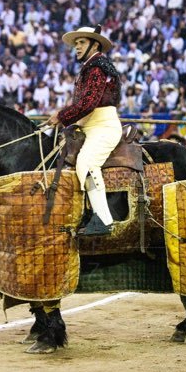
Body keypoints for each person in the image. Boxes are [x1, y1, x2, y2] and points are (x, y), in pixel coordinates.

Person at [46, 25, 122, 236]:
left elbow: (88, 103)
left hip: (103, 127)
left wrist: (61, 116)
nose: (76, 47)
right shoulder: (91, 67)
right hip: (87, 125)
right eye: (76, 43)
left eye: (81, 43)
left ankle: (105, 221)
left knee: (87, 163)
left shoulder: (97, 68)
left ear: (94, 44)